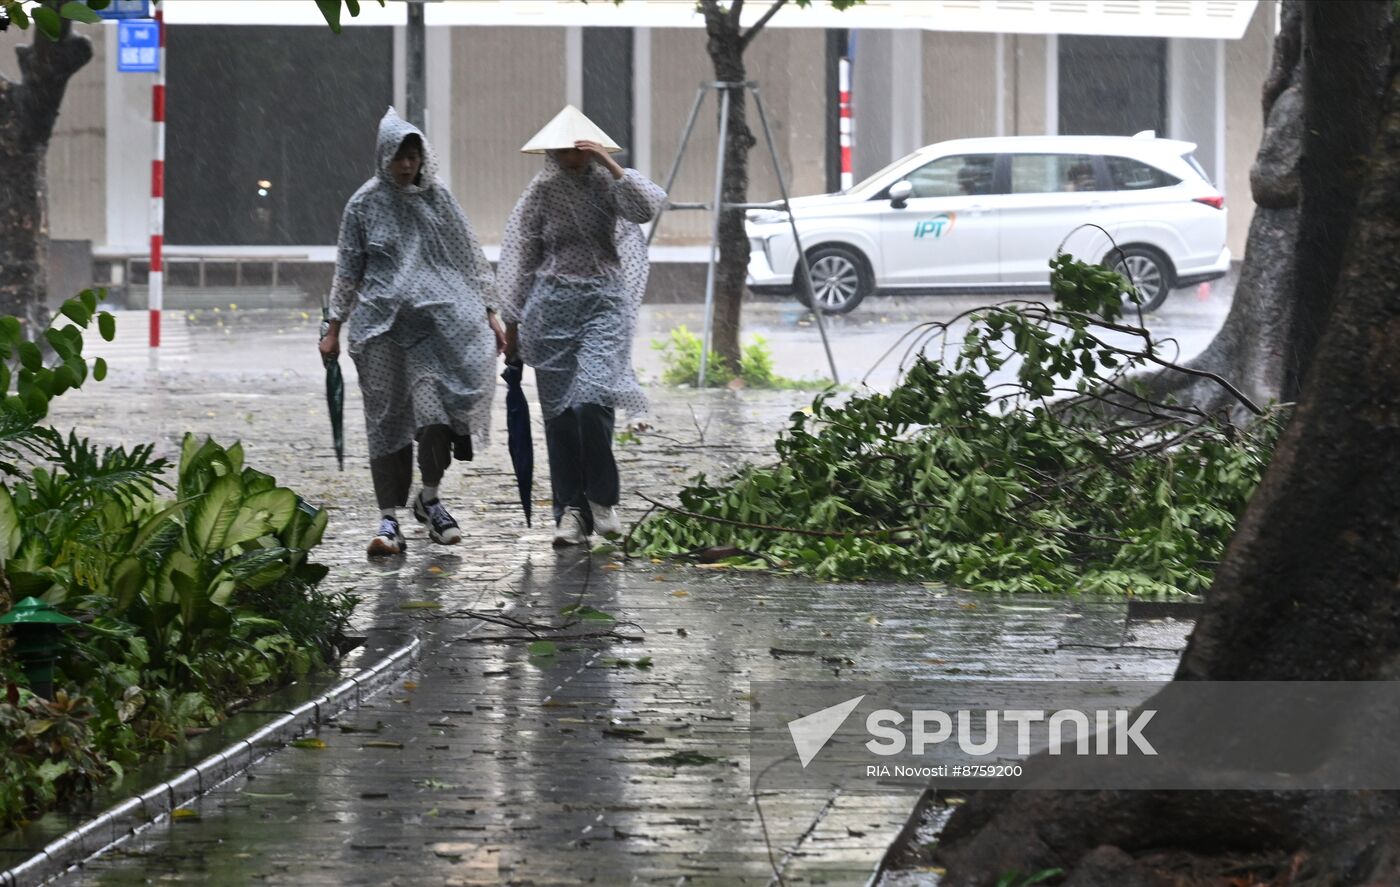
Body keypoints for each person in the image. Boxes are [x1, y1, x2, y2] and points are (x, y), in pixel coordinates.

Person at [320, 108, 505, 557]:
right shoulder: (363, 205)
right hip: (379, 332)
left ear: (422, 158)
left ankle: (431, 498)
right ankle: (389, 519)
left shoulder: (440, 201)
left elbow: (470, 258)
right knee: (387, 425)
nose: (406, 165)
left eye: (413, 156)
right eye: (398, 157)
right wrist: (333, 327)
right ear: (384, 157)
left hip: (432, 331)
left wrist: (491, 311)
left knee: (434, 418)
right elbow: (348, 271)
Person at [496, 105, 666, 547]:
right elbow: (521, 259)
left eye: (579, 148)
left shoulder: (607, 183)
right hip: (551, 310)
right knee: (560, 416)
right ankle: (570, 510)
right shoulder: (540, 192)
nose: (571, 156)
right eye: (564, 149)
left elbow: (647, 207)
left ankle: (602, 499)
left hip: (604, 303)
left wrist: (610, 163)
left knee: (592, 400)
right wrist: (512, 326)